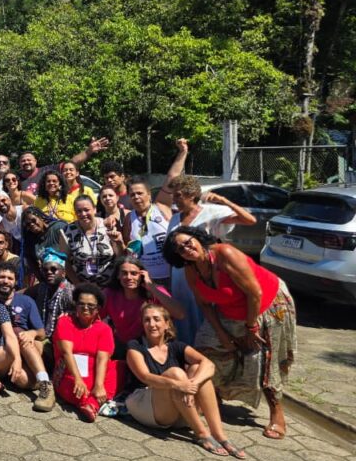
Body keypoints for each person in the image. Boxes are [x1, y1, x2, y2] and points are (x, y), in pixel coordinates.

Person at [163, 226, 297, 440]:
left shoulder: (225, 254)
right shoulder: (191, 269)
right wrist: (223, 335)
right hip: (231, 309)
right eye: (180, 249)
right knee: (205, 347)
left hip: (267, 305)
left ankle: (276, 413)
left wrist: (251, 327)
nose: (187, 249)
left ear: (197, 238)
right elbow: (205, 305)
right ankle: (212, 396)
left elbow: (255, 293)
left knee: (261, 358)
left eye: (188, 242)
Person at [126, 304, 246, 459]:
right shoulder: (135, 346)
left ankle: (219, 434)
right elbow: (145, 377)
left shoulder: (177, 346)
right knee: (176, 373)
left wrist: (192, 384)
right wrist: (179, 384)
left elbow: (209, 364)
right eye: (147, 320)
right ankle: (202, 434)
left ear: (167, 324)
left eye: (156, 319)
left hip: (181, 409)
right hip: (148, 407)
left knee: (198, 369)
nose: (152, 324)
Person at [166, 170, 257, 345]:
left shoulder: (211, 212)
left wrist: (223, 200)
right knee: (184, 318)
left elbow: (249, 220)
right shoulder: (175, 218)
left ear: (191, 194)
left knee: (205, 314)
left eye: (178, 195)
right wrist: (171, 281)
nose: (174, 200)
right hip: (180, 278)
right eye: (173, 196)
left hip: (204, 275)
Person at [53, 283, 125, 422]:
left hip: (93, 372)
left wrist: (99, 385)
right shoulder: (65, 322)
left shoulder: (104, 329)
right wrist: (78, 379)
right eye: (81, 304)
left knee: (119, 367)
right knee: (77, 385)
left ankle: (91, 403)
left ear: (98, 308)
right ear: (76, 305)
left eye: (91, 305)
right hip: (69, 371)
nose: (86, 308)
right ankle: (92, 403)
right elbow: (66, 353)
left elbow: (102, 359)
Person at [0, 261, 54, 410]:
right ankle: (38, 375)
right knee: (20, 378)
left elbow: (42, 332)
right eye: (2, 277)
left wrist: (32, 332)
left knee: (21, 336)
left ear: (15, 282)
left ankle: (45, 384)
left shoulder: (26, 301)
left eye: (10, 278)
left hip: (26, 348)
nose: (6, 281)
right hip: (3, 352)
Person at [103, 255, 184, 357]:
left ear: (141, 275)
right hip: (124, 346)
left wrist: (152, 287)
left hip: (153, 345)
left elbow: (180, 314)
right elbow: (94, 317)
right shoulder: (110, 294)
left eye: (134, 273)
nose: (129, 277)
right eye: (124, 273)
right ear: (118, 276)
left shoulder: (155, 292)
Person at [15, 138, 108, 200]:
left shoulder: (47, 171)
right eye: (23, 161)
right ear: (19, 163)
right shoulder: (15, 179)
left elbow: (72, 163)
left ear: (35, 161)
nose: (26, 162)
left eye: (29, 160)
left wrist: (88, 151)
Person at [62, 195, 123, 288]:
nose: (83, 214)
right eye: (79, 211)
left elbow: (120, 256)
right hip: (83, 286)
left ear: (94, 209)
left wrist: (119, 243)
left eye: (86, 210)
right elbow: (66, 263)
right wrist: (78, 285)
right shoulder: (67, 231)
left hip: (109, 285)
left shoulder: (107, 226)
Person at [124, 176, 174, 287]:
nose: (136, 197)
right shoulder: (129, 218)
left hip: (171, 275)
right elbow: (128, 247)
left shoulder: (161, 208)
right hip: (146, 279)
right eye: (132, 194)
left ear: (149, 194)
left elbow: (172, 177)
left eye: (139, 193)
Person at [24, 249, 75, 340]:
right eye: (45, 270)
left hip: (64, 340)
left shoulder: (70, 292)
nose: (49, 272)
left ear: (63, 273)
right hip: (44, 338)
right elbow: (24, 294)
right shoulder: (43, 287)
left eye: (53, 269)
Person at [20, 206, 68, 287]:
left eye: (33, 220)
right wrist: (44, 283)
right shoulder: (30, 242)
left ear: (40, 217)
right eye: (28, 224)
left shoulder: (58, 228)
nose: (32, 224)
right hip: (50, 280)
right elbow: (33, 266)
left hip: (67, 275)